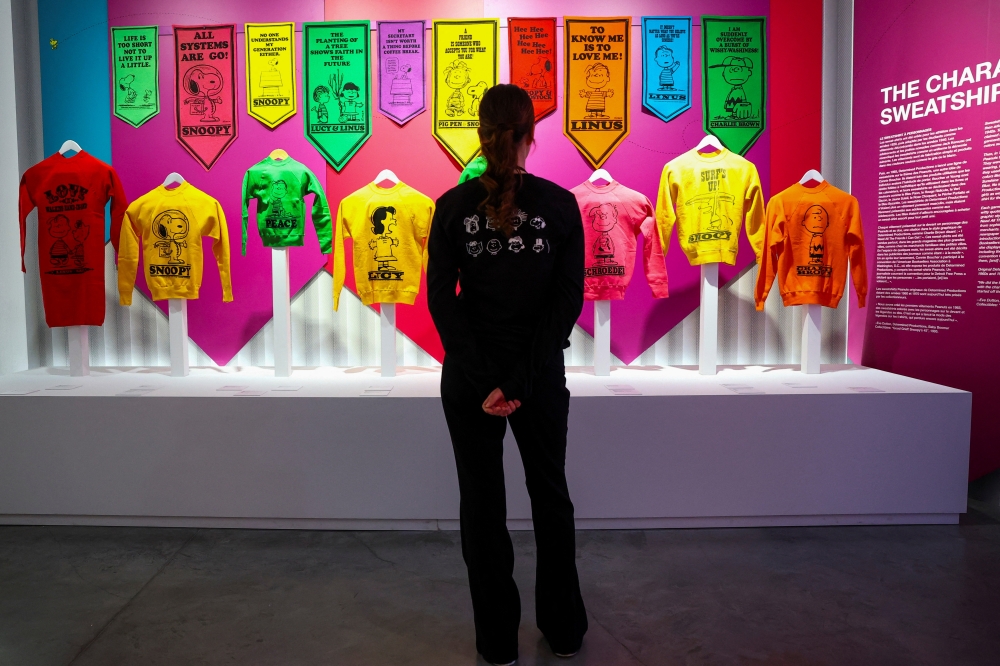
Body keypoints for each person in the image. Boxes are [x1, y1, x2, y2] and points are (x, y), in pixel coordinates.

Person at [427, 84, 588, 665]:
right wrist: (519, 382)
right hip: (538, 378)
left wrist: (485, 381)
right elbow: (566, 302)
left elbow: (442, 304)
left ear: (480, 132)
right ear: (529, 135)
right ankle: (565, 630)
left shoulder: (450, 207)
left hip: (472, 382)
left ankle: (497, 642)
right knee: (550, 498)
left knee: (482, 505)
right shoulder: (561, 206)